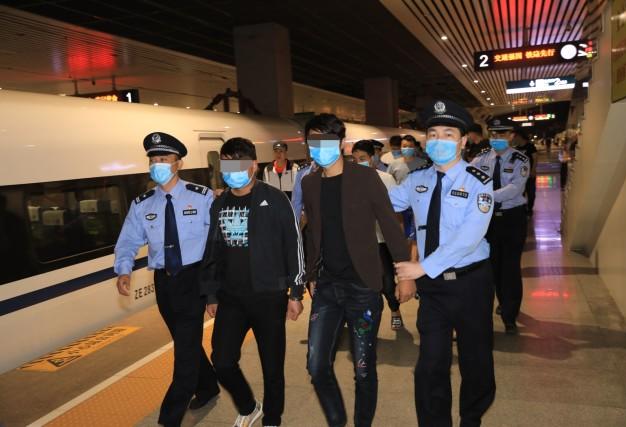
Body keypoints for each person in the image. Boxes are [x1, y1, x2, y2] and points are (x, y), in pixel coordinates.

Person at [301, 114, 415, 427]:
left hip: (363, 286)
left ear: (341, 143)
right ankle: (337, 420)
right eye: (313, 141)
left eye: (325, 140)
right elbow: (313, 233)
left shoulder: (366, 178)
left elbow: (390, 225)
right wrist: (311, 274)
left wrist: (404, 274)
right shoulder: (310, 183)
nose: (319, 147)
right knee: (316, 366)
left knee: (363, 368)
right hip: (327, 287)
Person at [389, 100, 496, 427]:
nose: (438, 140)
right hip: (434, 290)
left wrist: (421, 267)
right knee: (430, 365)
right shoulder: (416, 180)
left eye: (448, 134)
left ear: (463, 141)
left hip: (471, 283)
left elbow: (469, 237)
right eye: (432, 134)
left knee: (475, 361)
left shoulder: (478, 181)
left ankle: (471, 418)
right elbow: (385, 203)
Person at [114, 132, 219, 427]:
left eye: (163, 158)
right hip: (164, 281)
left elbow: (216, 243)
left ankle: (169, 418)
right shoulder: (142, 204)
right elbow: (128, 241)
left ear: (178, 163)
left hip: (193, 278)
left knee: (184, 351)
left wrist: (215, 286)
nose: (157, 164)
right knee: (186, 341)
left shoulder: (202, 197)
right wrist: (124, 269)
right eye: (153, 159)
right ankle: (208, 386)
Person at [198, 137, 304, 427]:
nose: (231, 171)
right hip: (231, 297)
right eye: (226, 164)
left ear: (254, 165)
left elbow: (293, 245)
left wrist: (296, 292)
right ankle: (248, 405)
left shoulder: (275, 199)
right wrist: (211, 293)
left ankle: (272, 417)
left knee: (272, 365)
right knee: (222, 360)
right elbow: (212, 250)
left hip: (269, 295)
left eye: (238, 163)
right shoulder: (220, 204)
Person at [471, 118, 529, 335]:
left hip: (512, 219)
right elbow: (469, 181)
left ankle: (509, 315)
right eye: (493, 135)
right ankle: (486, 313)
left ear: (511, 136)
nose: (496, 138)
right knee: (489, 268)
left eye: (501, 134)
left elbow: (515, 188)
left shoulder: (520, 159)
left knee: (510, 269)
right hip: (487, 220)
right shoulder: (481, 158)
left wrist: (484, 195)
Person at [352, 139, 403, 330]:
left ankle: (395, 310)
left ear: (372, 157)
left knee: (387, 282)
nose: (358, 162)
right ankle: (367, 319)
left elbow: (395, 212)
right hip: (358, 241)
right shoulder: (348, 180)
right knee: (362, 283)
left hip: (381, 240)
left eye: (362, 158)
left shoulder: (386, 179)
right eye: (355, 159)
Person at [512, 128, 538, 216]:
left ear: (519, 136)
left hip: (530, 174)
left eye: (515, 137)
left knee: (531, 193)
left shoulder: (530, 146)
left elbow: (535, 158)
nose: (514, 139)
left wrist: (533, 170)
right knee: (520, 193)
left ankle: (530, 208)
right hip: (519, 176)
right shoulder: (516, 148)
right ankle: (522, 209)